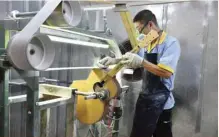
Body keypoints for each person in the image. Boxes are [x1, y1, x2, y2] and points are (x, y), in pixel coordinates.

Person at [97, 9, 181, 137]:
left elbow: (166, 72)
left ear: (151, 25)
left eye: (140, 29)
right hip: (145, 99)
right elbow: (132, 59)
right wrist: (114, 60)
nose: (139, 33)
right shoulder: (146, 40)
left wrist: (142, 62)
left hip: (163, 103)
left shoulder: (170, 43)